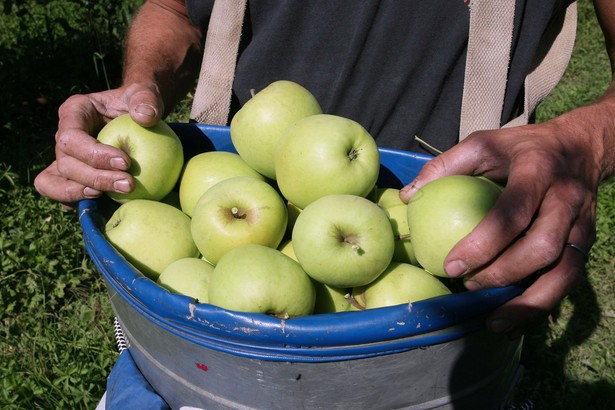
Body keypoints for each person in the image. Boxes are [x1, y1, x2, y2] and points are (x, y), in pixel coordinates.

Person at [36, 0, 614, 346]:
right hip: (223, 220)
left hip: (440, 288)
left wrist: (586, 141)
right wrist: (143, 90)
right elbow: (175, 8)